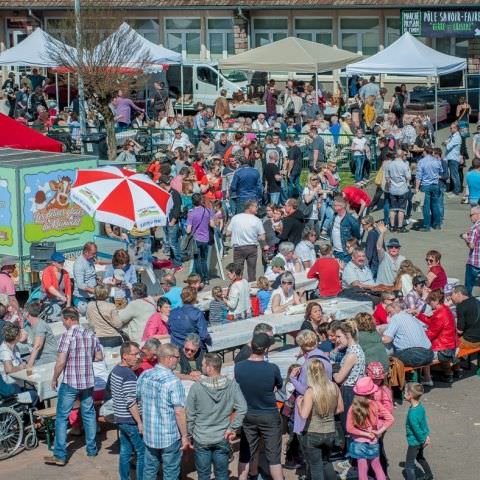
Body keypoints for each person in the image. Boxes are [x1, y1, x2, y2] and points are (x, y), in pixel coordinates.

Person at [44, 308, 103, 466]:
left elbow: (61, 362)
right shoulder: (90, 335)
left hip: (71, 381)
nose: (63, 323)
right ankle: (92, 449)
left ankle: (60, 454)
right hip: (88, 381)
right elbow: (99, 356)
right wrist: (85, 357)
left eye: (63, 320)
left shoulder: (67, 336)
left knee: (62, 417)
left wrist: (54, 377)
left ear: (68, 319)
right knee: (89, 414)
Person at [186, 353, 247, 480]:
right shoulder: (232, 385)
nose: (201, 367)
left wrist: (190, 433)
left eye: (202, 365)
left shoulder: (196, 387)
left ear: (209, 368)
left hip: (201, 437)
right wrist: (233, 428)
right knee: (222, 474)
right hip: (222, 436)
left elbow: (190, 414)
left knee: (203, 475)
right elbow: (242, 408)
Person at [234, 333, 284, 480]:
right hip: (269, 414)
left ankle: (252, 474)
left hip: (247, 414)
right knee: (274, 458)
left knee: (245, 453)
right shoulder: (272, 368)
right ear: (266, 349)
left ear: (251, 345)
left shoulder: (239, 367)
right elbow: (278, 386)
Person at [137, 343, 189, 480]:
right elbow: (179, 412)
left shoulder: (145, 375)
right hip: (169, 435)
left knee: (149, 469)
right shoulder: (173, 382)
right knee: (171, 472)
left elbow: (137, 398)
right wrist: (185, 436)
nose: (179, 360)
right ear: (169, 358)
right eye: (177, 357)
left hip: (150, 433)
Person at [296, 359, 344, 480]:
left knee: (316, 466)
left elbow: (304, 415)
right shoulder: (334, 387)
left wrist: (299, 404)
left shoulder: (310, 391)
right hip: (330, 432)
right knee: (326, 462)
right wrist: (327, 412)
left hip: (313, 432)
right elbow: (340, 409)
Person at [346, 376, 394, 480]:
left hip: (359, 443)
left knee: (362, 470)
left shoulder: (352, 408)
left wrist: (365, 434)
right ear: (372, 392)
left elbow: (349, 428)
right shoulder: (376, 404)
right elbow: (390, 418)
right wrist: (379, 431)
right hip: (373, 440)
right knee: (377, 467)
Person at [110, 341, 145, 480]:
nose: (138, 357)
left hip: (120, 418)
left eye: (138, 353)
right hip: (130, 421)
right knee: (142, 451)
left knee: (125, 451)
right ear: (125, 356)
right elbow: (131, 402)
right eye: (135, 354)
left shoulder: (116, 370)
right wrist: (139, 422)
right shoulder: (128, 375)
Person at [417, 289, 457, 384]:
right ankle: (446, 374)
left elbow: (430, 334)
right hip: (449, 345)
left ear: (436, 301)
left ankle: (427, 378)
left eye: (430, 301)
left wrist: (417, 336)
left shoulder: (440, 314)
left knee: (423, 352)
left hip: (444, 349)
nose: (429, 304)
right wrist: (418, 315)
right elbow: (432, 322)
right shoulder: (444, 309)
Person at [333, 321, 366, 436]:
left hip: (349, 392)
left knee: (347, 426)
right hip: (355, 390)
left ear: (347, 335)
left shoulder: (352, 353)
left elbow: (339, 379)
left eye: (339, 336)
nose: (337, 340)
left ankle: (349, 451)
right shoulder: (356, 348)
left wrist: (334, 372)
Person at [382, 301, 434, 367]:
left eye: (389, 312)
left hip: (414, 356)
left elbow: (387, 339)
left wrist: (377, 338)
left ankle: (393, 376)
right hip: (429, 355)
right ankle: (425, 376)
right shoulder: (412, 317)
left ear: (396, 308)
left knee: (390, 358)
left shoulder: (396, 317)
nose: (389, 315)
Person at [227, 200, 266, 282]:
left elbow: (228, 233)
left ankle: (238, 288)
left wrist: (237, 234)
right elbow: (262, 237)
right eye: (255, 206)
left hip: (239, 248)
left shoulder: (235, 218)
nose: (257, 208)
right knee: (252, 272)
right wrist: (254, 237)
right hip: (252, 248)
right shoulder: (257, 220)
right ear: (250, 207)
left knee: (238, 271)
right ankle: (251, 291)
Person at [366, 362, 394, 476]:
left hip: (380, 425)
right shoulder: (368, 388)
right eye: (373, 379)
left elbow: (388, 411)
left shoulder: (384, 391)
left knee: (379, 448)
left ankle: (383, 474)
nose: (376, 381)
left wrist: (377, 414)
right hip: (370, 424)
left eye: (378, 379)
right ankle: (373, 472)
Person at [404, 383, 434, 480]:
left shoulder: (412, 413)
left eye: (405, 392)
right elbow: (424, 422)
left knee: (409, 465)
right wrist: (427, 436)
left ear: (410, 395)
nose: (403, 394)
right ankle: (429, 475)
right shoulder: (420, 407)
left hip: (415, 442)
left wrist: (422, 441)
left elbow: (416, 429)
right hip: (422, 438)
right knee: (420, 457)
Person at [186, 193, 215, 285]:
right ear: (200, 200)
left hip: (196, 239)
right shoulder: (207, 210)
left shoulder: (191, 213)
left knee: (197, 260)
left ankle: (200, 278)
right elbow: (212, 224)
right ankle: (206, 278)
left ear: (193, 202)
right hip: (205, 239)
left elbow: (188, 230)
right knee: (203, 260)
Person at [415, 147, 443, 232]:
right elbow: (441, 171)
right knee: (435, 205)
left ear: (425, 152)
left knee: (426, 206)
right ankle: (437, 224)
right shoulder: (437, 161)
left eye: (423, 151)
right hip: (435, 185)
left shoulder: (421, 162)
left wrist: (416, 187)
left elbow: (419, 176)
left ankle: (427, 225)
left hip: (425, 185)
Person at [384, 150, 411, 232]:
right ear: (402, 155)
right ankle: (400, 227)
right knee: (401, 209)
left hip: (392, 189)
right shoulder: (404, 165)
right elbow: (408, 177)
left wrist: (389, 185)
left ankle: (392, 226)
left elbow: (387, 178)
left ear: (395, 155)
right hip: (402, 189)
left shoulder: (389, 164)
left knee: (392, 208)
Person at [25, 301, 58, 367]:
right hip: (38, 356)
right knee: (21, 364)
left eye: (23, 311)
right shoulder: (28, 326)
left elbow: (37, 346)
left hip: (49, 356)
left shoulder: (40, 324)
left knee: (30, 370)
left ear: (27, 313)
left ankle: (29, 376)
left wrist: (30, 364)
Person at [329, 195, 361, 262]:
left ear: (343, 206)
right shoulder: (334, 216)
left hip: (345, 253)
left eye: (336, 205)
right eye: (334, 205)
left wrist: (351, 246)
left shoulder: (351, 220)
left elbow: (357, 236)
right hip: (335, 251)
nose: (334, 207)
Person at [452, 285, 480, 350]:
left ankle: (459, 358)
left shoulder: (461, 306)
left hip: (472, 341)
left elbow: (459, 331)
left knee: (448, 341)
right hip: (478, 335)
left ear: (459, 294)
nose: (451, 297)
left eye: (452, 294)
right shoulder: (476, 300)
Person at [72, 242, 98, 314]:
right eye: (93, 253)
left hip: (92, 295)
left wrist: (97, 278)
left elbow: (90, 275)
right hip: (81, 297)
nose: (95, 255)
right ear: (86, 252)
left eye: (96, 253)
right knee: (87, 310)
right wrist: (94, 290)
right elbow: (80, 285)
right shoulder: (79, 264)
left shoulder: (90, 259)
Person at [462, 205, 480, 295]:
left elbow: (471, 246)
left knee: (468, 288)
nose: (470, 217)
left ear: (477, 215)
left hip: (474, 263)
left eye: (471, 215)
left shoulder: (475, 228)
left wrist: (465, 238)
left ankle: (469, 305)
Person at [444, 122, 462, 195]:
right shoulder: (452, 136)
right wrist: (446, 143)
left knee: (454, 175)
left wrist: (446, 143)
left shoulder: (456, 137)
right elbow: (446, 143)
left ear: (456, 128)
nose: (450, 129)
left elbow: (448, 146)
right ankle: (453, 188)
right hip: (450, 157)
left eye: (451, 128)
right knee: (452, 175)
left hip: (454, 158)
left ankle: (456, 190)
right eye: (450, 128)